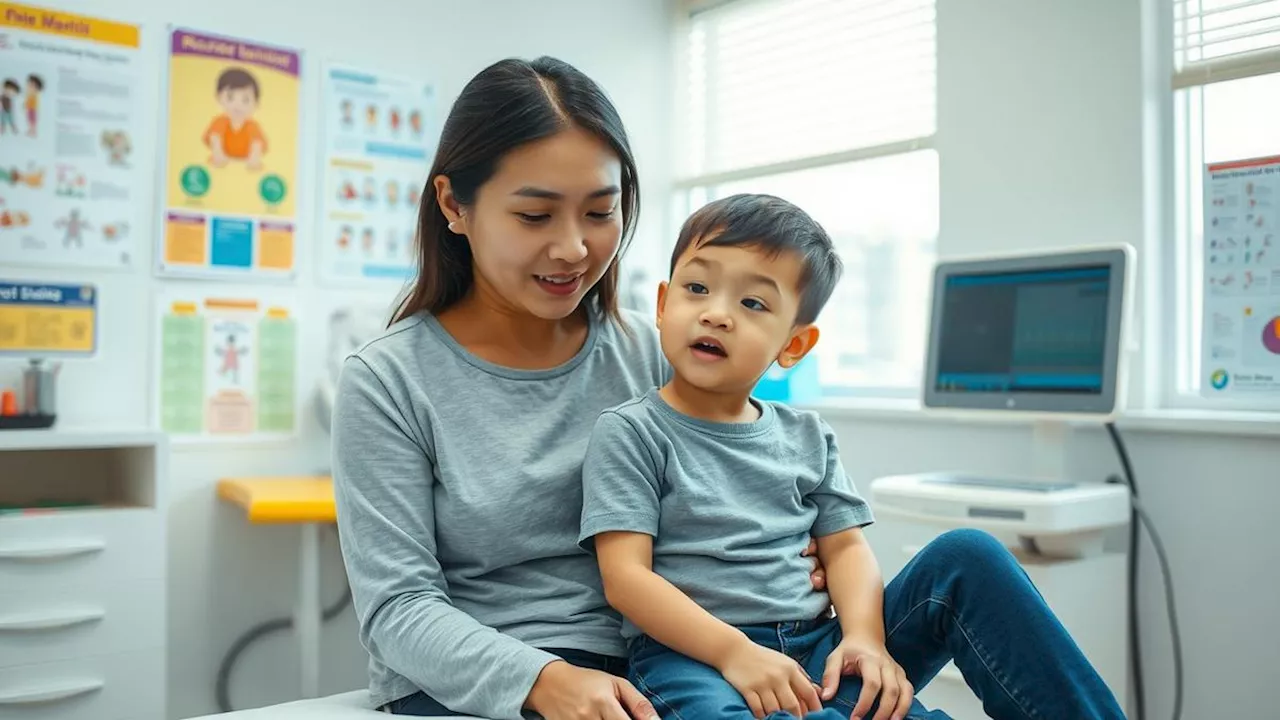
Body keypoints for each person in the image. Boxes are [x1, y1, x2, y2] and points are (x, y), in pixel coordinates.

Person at [334, 56, 814, 720]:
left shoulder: (658, 350)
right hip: (495, 682)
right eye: (535, 216)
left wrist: (794, 554)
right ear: (453, 204)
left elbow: (745, 493)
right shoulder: (388, 380)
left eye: (599, 212)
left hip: (667, 664)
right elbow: (398, 608)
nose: (573, 248)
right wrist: (545, 680)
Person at [579, 195, 1128, 720]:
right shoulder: (632, 432)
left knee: (969, 554)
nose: (717, 314)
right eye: (697, 288)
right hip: (696, 662)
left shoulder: (807, 436)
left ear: (793, 345)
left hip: (821, 649)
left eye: (752, 303)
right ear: (662, 304)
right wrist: (733, 653)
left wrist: (865, 639)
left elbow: (845, 549)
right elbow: (627, 579)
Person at [204, 67, 266, 171]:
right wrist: (218, 154)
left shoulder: (252, 126)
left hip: (245, 165)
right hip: (221, 165)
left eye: (245, 100)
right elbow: (214, 137)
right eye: (230, 97)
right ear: (219, 98)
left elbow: (257, 143)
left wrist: (254, 159)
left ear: (256, 104)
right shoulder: (220, 121)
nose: (237, 105)